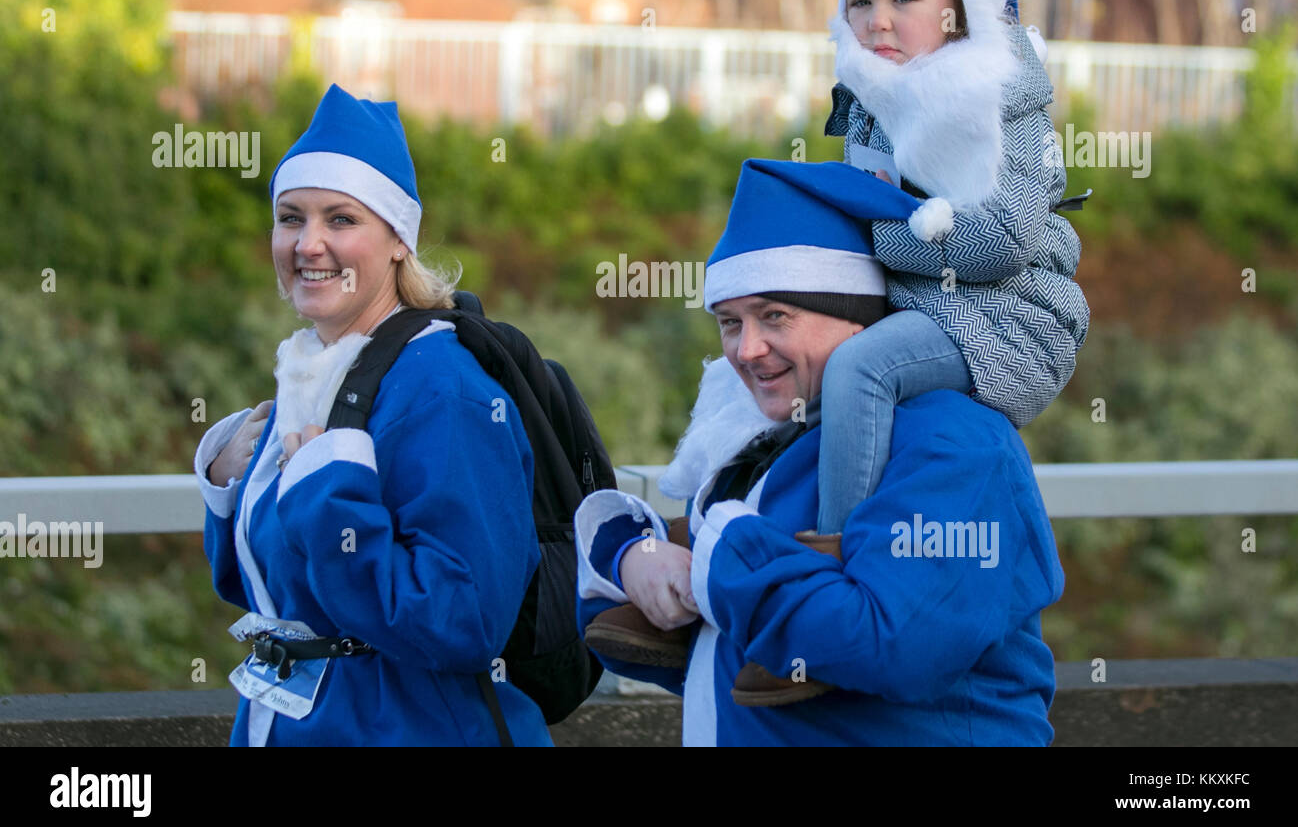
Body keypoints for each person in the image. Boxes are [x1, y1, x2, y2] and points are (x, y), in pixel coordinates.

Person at [576, 159, 1066, 746]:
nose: (748, 349)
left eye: (775, 316)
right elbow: (718, 643)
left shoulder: (952, 441)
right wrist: (637, 556)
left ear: (858, 318)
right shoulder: (783, 442)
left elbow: (892, 645)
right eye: (730, 323)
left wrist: (719, 553)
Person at [194, 83, 550, 746]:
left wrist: (326, 499)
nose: (308, 244)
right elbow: (277, 596)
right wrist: (225, 492)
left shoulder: (442, 388)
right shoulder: (310, 369)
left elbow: (463, 623)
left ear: (397, 242)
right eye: (291, 218)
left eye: (341, 219)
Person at [816, 0, 1090, 536]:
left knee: (859, 368)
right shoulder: (870, 102)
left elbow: (1004, 239)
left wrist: (882, 235)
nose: (877, 21)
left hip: (1009, 315)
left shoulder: (1001, 99)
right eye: (860, 2)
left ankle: (832, 553)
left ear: (958, 9)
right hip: (913, 302)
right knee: (779, 351)